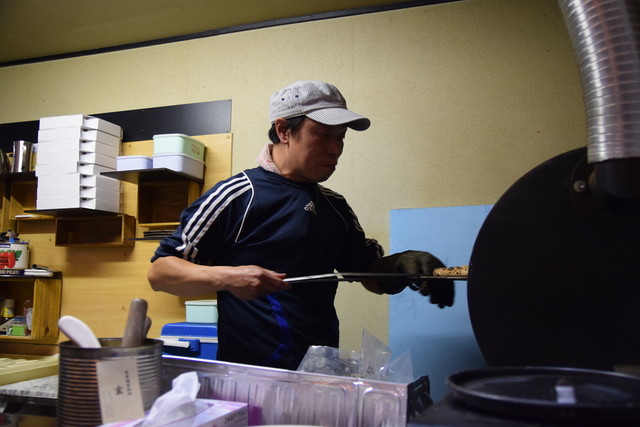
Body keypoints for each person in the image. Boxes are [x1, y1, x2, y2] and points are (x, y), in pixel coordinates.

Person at [148, 80, 454, 370]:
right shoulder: (238, 195)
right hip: (251, 377)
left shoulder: (335, 206)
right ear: (284, 130)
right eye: (324, 135)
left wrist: (403, 264)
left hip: (320, 373)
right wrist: (227, 278)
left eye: (340, 137)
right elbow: (160, 272)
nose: (335, 149)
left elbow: (367, 274)